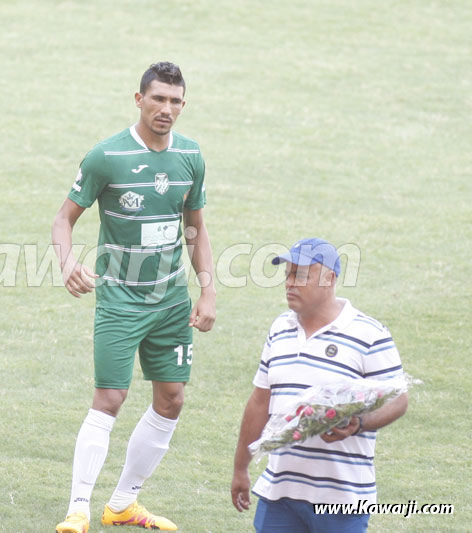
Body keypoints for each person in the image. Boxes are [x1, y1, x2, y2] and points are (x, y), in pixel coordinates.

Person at [52, 62, 216, 533]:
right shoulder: (107, 157)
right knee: (110, 397)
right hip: (120, 300)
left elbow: (195, 228)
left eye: (176, 101)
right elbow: (63, 218)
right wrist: (68, 263)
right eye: (158, 99)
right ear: (139, 99)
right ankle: (78, 509)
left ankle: (123, 504)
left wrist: (206, 290)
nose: (167, 109)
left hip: (171, 303)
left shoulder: (191, 156)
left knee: (172, 398)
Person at [231, 238, 408, 533]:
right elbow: (260, 403)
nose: (290, 283)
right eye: (288, 274)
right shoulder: (280, 329)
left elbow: (398, 399)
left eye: (300, 275)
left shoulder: (369, 334)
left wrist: (359, 423)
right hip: (280, 493)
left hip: (343, 499)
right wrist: (240, 467)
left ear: (330, 279)